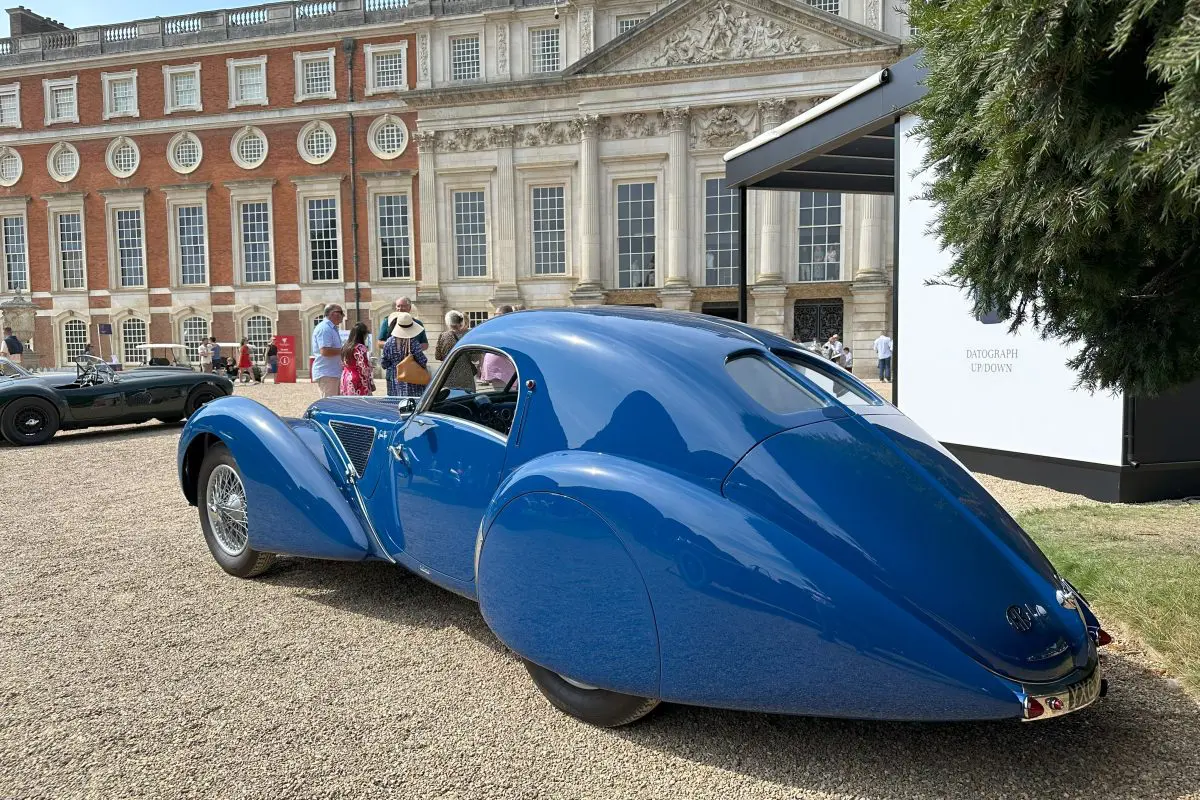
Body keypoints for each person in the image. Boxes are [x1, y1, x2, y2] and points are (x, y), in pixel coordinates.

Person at [380, 311, 428, 397]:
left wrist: (395, 365)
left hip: (393, 381)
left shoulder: (388, 342)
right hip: (411, 381)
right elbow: (423, 361)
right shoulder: (413, 342)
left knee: (396, 405)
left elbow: (384, 364)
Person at [312, 303, 346, 398]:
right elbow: (325, 351)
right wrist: (345, 350)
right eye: (340, 312)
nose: (343, 315)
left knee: (336, 404)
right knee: (329, 404)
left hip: (333, 372)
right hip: (327, 373)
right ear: (332, 313)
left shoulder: (332, 329)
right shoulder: (324, 329)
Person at [436, 310, 476, 390]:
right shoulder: (469, 335)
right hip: (466, 375)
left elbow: (438, 356)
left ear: (448, 322)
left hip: (448, 374)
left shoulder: (443, 336)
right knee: (467, 399)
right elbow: (475, 358)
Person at [339, 322, 375, 397]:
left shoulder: (345, 346)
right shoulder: (360, 348)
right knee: (361, 405)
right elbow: (364, 368)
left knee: (349, 403)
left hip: (346, 377)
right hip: (358, 379)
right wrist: (371, 382)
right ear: (363, 335)